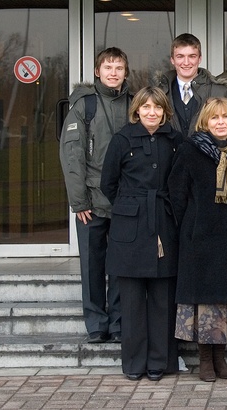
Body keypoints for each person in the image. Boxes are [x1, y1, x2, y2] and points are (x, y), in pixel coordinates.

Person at [168, 97, 227, 382]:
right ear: (204, 122)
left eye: (226, 117)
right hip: (201, 239)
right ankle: (205, 361)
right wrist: (189, 230)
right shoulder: (190, 151)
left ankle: (222, 360)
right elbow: (177, 195)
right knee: (205, 303)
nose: (221, 122)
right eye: (215, 117)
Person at [100, 87, 182, 381]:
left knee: (162, 299)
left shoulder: (174, 139)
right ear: (137, 110)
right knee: (132, 300)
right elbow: (108, 183)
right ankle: (134, 363)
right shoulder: (123, 139)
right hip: (130, 227)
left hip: (164, 223)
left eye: (157, 108)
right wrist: (130, 207)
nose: (151, 112)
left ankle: (160, 361)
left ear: (164, 111)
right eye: (146, 107)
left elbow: (180, 179)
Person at [60, 47, 130, 344]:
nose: (113, 73)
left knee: (119, 265)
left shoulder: (135, 103)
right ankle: (96, 323)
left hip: (125, 200)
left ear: (126, 73)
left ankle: (117, 322)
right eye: (108, 67)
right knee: (91, 265)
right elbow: (71, 154)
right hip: (91, 201)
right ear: (97, 72)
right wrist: (79, 201)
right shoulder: (83, 105)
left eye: (119, 68)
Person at [157, 33, 227, 133]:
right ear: (172, 60)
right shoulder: (160, 93)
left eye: (192, 56)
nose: (186, 62)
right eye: (180, 56)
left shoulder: (220, 92)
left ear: (199, 59)